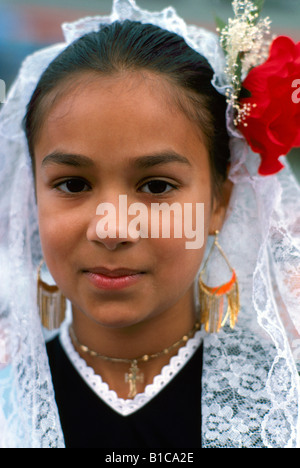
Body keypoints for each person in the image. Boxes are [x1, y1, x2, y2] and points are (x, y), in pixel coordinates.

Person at [0, 0, 299, 448]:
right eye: (73, 184)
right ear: (32, 196)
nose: (112, 228)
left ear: (220, 201)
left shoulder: (280, 407)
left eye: (156, 187)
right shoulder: (10, 402)